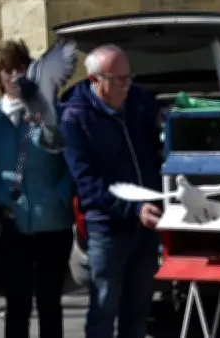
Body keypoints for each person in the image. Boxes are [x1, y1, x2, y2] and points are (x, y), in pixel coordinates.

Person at [60, 44, 162, 338]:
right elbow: (88, 182)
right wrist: (134, 208)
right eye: (118, 79)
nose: (126, 85)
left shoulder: (138, 101)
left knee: (138, 311)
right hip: (107, 229)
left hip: (145, 228)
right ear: (95, 80)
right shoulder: (74, 118)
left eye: (129, 77)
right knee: (103, 311)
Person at [0, 41, 75, 338]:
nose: (14, 75)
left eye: (20, 68)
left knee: (49, 302)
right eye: (6, 70)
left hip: (53, 222)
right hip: (12, 224)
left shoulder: (49, 110)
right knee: (17, 304)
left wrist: (62, 195)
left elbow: (72, 159)